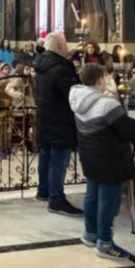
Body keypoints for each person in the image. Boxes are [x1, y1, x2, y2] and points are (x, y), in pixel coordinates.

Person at [69, 63, 135, 260]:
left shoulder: (77, 98)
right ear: (100, 79)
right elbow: (129, 132)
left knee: (92, 195)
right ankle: (105, 243)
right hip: (110, 158)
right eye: (106, 77)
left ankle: (90, 234)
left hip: (89, 155)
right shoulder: (107, 105)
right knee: (108, 200)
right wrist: (118, 103)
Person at [33, 32, 82, 216]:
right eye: (66, 43)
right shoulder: (60, 68)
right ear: (60, 46)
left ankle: (44, 191)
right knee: (59, 158)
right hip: (60, 118)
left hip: (45, 115)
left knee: (46, 153)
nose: (68, 47)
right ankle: (56, 200)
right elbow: (71, 94)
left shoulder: (40, 63)